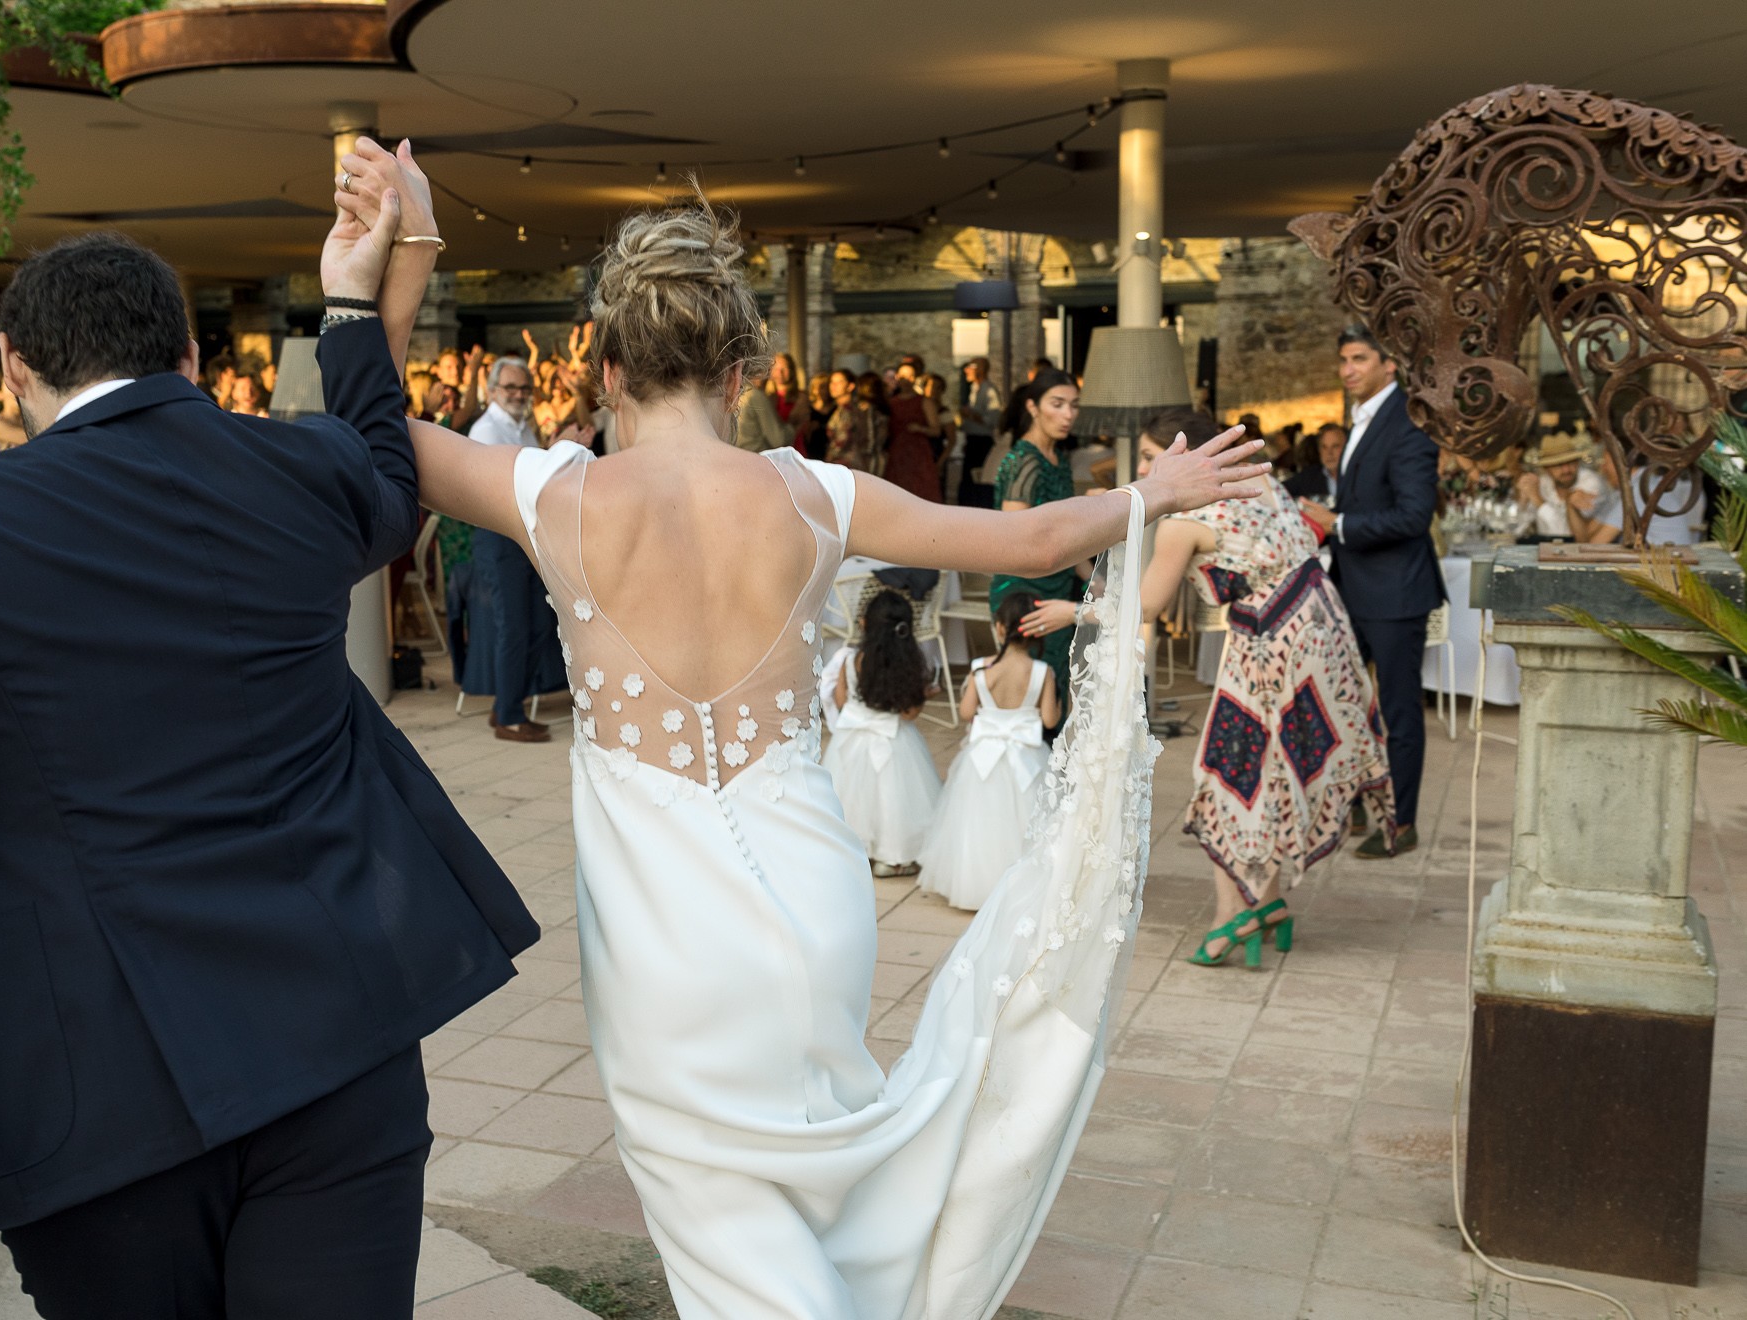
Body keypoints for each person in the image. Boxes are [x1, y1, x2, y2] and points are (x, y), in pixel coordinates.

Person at [332, 138, 1266, 1316]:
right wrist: (1148, 496)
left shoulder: (556, 495)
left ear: (607, 367)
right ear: (738, 372)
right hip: (814, 904)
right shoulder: (812, 494)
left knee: (725, 1246)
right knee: (817, 1195)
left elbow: (376, 439)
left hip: (664, 942)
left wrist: (398, 260)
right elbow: (1026, 543)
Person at [0, 205, 539, 1313]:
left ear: (12, 368)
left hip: (95, 1085)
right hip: (340, 1038)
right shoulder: (303, 471)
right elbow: (384, 461)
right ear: (185, 353)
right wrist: (355, 308)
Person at [1135, 408, 1394, 965]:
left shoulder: (1184, 522)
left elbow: (1147, 604)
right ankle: (1268, 904)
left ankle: (1232, 918)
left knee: (1229, 775)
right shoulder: (1260, 480)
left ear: (1183, 456)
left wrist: (1077, 608)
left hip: (1270, 651)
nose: (1140, 469)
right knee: (1270, 776)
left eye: (1149, 458)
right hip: (1323, 638)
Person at [1297, 327, 1446, 858]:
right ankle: (1357, 801)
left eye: (1359, 358)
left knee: (1399, 712)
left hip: (1397, 592)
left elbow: (1413, 515)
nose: (1347, 369)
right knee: (1345, 703)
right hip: (1354, 590)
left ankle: (1401, 824)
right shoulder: (1364, 419)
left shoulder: (1407, 423)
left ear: (1390, 365)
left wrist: (1338, 524)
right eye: (1342, 359)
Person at [915, 591, 1056, 910]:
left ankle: (976, 886)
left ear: (1000, 628)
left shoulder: (981, 669)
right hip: (1027, 757)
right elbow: (1049, 719)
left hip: (982, 759)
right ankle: (1022, 888)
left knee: (978, 822)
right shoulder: (1041, 672)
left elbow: (966, 713)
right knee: (1023, 822)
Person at [992, 369, 1100, 722]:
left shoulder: (1058, 458)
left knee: (1057, 691)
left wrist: (1092, 579)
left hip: (1056, 583)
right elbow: (1013, 538)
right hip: (1025, 592)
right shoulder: (1024, 460)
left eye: (1074, 405)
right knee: (1035, 702)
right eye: (1058, 404)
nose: (1069, 414)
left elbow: (1066, 539)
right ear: (1033, 407)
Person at [466, 355, 564, 742]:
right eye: (511, 387)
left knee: (538, 626)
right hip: (498, 536)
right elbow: (499, 489)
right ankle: (508, 716)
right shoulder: (486, 430)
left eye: (524, 388)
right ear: (491, 391)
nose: (519, 394)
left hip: (525, 536)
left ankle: (507, 704)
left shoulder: (523, 428)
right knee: (514, 628)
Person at [826, 591, 943, 877]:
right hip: (894, 741)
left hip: (851, 741)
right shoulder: (909, 666)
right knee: (893, 799)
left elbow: (841, 701)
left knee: (851, 798)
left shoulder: (851, 660)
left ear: (864, 623)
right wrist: (922, 693)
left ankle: (852, 851)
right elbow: (909, 713)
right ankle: (892, 859)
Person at [1518, 433, 1624, 543]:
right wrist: (1523, 500)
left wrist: (1538, 500)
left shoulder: (1592, 483)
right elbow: (1520, 528)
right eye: (1558, 465)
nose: (1566, 470)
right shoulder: (1543, 482)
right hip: (1545, 549)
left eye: (1571, 462)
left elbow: (1569, 535)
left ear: (1578, 462)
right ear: (1547, 469)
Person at [883, 368, 941, 501]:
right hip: (897, 454)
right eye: (903, 376)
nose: (906, 380)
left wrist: (920, 429)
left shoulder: (924, 402)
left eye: (910, 376)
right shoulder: (891, 402)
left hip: (918, 455)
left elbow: (936, 430)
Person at [956, 356, 1004, 507]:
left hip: (981, 443)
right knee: (969, 481)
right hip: (972, 440)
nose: (966, 370)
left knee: (977, 481)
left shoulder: (989, 390)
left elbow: (993, 420)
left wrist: (971, 415)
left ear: (979, 370)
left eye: (970, 366)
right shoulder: (974, 389)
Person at [1283, 422, 1346, 504]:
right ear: (1319, 450)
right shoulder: (1307, 477)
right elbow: (1278, 491)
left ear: (1346, 448)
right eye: (1324, 447)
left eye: (1335, 446)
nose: (1329, 453)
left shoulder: (1359, 476)